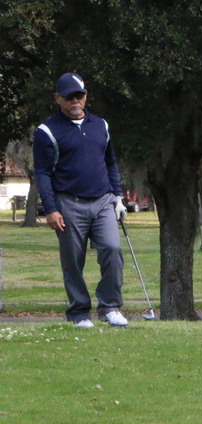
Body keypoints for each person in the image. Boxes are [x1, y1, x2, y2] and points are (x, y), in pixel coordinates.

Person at [33, 72, 129, 328]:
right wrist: (50, 209)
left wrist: (118, 196)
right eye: (69, 97)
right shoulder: (47, 131)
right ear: (57, 98)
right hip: (68, 202)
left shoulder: (101, 125)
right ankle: (79, 312)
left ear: (86, 96)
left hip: (103, 200)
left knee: (112, 248)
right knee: (73, 260)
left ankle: (110, 307)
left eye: (79, 96)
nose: (75, 101)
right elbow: (43, 172)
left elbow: (110, 162)